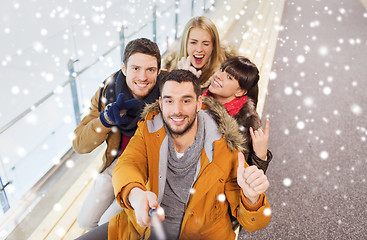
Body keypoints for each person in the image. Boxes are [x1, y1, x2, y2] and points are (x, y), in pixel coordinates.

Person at [74, 69, 271, 240]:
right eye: (169, 101)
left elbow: (254, 223)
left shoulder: (224, 146)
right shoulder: (149, 129)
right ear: (160, 103)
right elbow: (128, 164)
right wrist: (136, 194)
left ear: (199, 103)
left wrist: (252, 198)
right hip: (142, 231)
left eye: (186, 101)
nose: (177, 110)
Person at [72, 38, 162, 230]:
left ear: (159, 71)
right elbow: (79, 144)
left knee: (107, 225)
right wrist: (105, 120)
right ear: (123, 68)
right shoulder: (108, 90)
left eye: (150, 70)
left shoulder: (168, 93)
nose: (143, 76)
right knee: (85, 221)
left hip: (148, 171)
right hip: (117, 163)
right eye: (135, 68)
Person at [163, 16, 259, 103]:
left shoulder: (231, 72)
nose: (199, 49)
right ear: (185, 44)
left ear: (214, 46)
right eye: (193, 42)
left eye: (206, 44)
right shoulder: (167, 70)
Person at [203, 56, 272, 172]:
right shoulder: (199, 95)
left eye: (229, 77)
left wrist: (261, 156)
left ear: (240, 91)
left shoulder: (248, 122)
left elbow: (250, 175)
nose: (218, 76)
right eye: (221, 70)